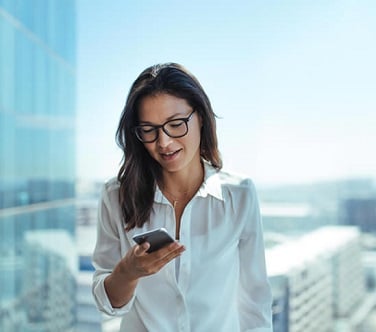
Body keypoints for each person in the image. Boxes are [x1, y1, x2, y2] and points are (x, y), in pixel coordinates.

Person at [92, 63, 273, 331]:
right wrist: (128, 273)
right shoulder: (116, 195)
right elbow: (108, 303)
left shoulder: (239, 193)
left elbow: (254, 301)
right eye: (148, 130)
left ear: (200, 117)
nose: (163, 142)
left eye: (176, 124)